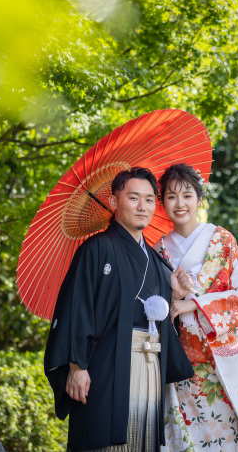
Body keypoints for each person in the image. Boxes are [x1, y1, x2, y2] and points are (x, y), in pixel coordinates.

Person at [45, 167, 194, 452]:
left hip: (149, 365)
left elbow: (159, 316)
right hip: (106, 365)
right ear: (114, 202)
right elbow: (77, 308)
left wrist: (173, 292)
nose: (143, 206)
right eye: (134, 197)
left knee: (141, 440)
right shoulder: (96, 249)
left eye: (150, 199)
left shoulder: (154, 258)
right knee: (103, 438)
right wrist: (77, 365)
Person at [153, 163, 238, 452]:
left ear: (199, 200)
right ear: (162, 202)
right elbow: (153, 306)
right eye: (171, 196)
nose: (180, 203)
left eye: (187, 195)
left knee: (227, 436)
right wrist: (173, 296)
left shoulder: (222, 240)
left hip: (223, 359)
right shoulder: (158, 250)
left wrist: (194, 303)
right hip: (181, 362)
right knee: (185, 435)